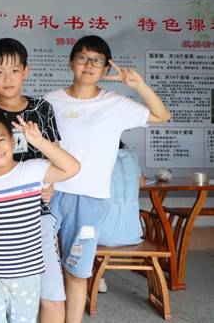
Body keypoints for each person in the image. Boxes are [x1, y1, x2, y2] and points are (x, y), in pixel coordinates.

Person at [44, 35, 170, 323]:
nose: (89, 65)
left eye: (97, 60)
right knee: (44, 270)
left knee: (77, 271)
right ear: (71, 62)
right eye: (82, 58)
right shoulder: (50, 101)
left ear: (104, 68)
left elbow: (162, 115)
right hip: (50, 195)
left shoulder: (115, 104)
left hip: (91, 200)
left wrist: (137, 85)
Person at [0, 38, 65, 323]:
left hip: (38, 213)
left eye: (14, 70)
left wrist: (51, 184)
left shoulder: (42, 109)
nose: (8, 78)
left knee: (51, 295)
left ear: (26, 70)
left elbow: (56, 154)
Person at [0, 111, 80, 323]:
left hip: (27, 274)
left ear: (13, 140)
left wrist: (40, 142)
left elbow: (72, 168)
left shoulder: (32, 171)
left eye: (1, 140)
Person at [96, 141, 145, 293]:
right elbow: (142, 183)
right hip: (133, 233)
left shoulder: (98, 156)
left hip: (102, 237)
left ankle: (97, 276)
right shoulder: (132, 155)